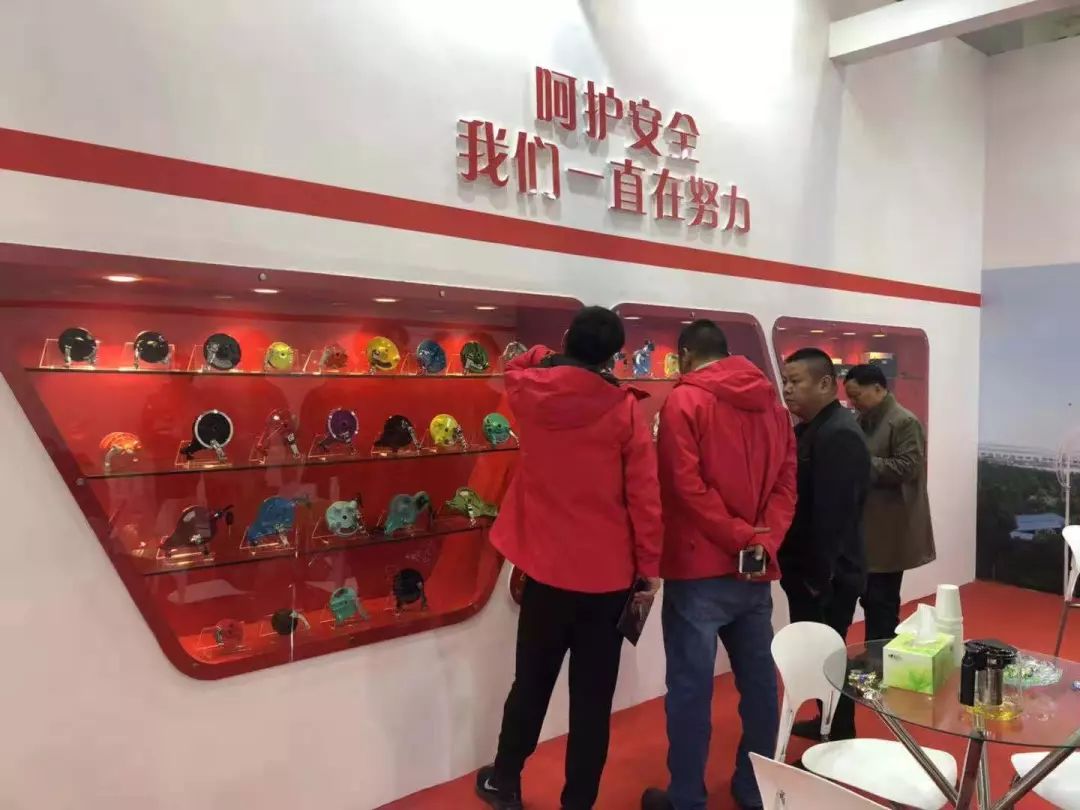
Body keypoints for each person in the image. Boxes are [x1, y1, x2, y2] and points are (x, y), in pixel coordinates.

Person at [476, 306, 664, 810]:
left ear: (566, 339)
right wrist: (649, 568)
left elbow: (519, 361)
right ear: (614, 355)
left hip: (545, 572)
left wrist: (550, 353)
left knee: (530, 684)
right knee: (592, 703)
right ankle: (577, 801)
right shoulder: (624, 410)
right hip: (608, 581)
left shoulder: (529, 391)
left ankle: (505, 780)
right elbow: (644, 499)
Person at [641, 320, 796, 810]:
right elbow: (787, 485)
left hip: (698, 568)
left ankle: (687, 796)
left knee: (690, 690)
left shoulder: (684, 402)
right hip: (755, 570)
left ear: (686, 355)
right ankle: (755, 787)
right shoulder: (774, 406)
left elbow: (684, 488)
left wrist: (739, 536)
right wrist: (762, 539)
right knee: (760, 685)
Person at [779, 348, 870, 742]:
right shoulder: (813, 429)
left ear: (825, 384)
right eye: (785, 381)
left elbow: (834, 514)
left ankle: (840, 734)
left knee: (829, 654)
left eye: (795, 381)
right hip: (812, 570)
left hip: (828, 574)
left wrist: (819, 577)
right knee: (818, 653)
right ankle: (828, 723)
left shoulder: (838, 434)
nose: (787, 389)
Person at [844, 364, 935, 643]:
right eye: (850, 397)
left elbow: (908, 467)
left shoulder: (904, 421)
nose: (853, 403)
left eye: (857, 395)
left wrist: (861, 463)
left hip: (890, 528)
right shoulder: (862, 420)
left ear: (878, 388)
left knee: (881, 600)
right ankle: (874, 655)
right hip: (867, 527)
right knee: (868, 596)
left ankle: (881, 657)